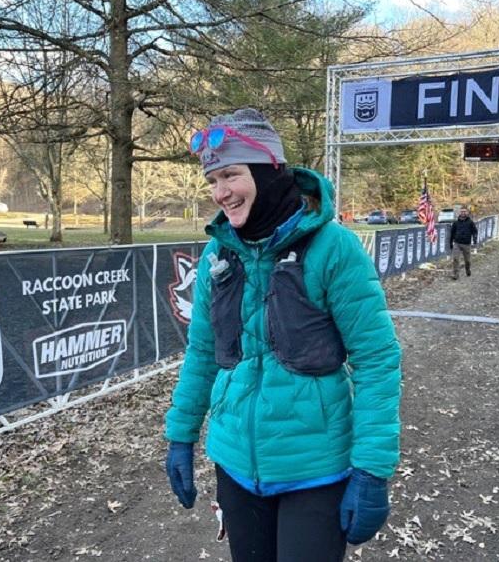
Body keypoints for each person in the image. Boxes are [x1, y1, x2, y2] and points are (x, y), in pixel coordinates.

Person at [163, 108, 401, 562]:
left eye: (230, 175)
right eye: (212, 180)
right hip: (234, 462)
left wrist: (372, 469)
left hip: (314, 469)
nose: (220, 193)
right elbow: (203, 351)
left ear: (269, 170)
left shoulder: (335, 247)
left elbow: (376, 359)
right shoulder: (219, 252)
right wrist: (181, 434)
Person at [449, 206, 478, 280]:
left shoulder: (470, 222)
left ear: (467, 212)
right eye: (462, 211)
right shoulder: (455, 223)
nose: (463, 213)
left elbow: (475, 232)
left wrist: (475, 241)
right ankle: (456, 274)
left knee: (467, 261)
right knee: (455, 259)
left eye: (464, 211)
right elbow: (452, 233)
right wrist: (450, 243)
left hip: (466, 244)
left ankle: (467, 270)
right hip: (457, 243)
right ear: (460, 212)